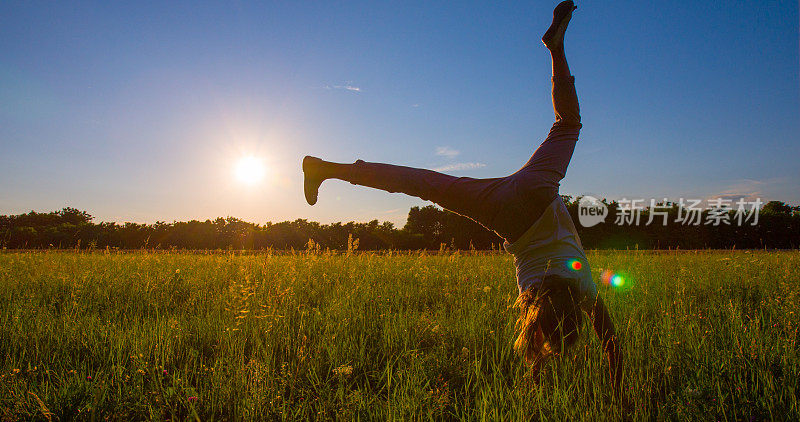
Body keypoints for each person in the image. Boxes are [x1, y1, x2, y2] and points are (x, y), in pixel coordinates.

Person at [302, 1, 622, 395]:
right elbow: (579, 348)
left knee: (568, 124)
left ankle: (555, 47)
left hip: (537, 191)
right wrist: (615, 396)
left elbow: (611, 344)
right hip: (503, 212)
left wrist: (618, 385)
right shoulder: (535, 299)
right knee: (422, 182)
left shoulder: (583, 292)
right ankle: (325, 168)